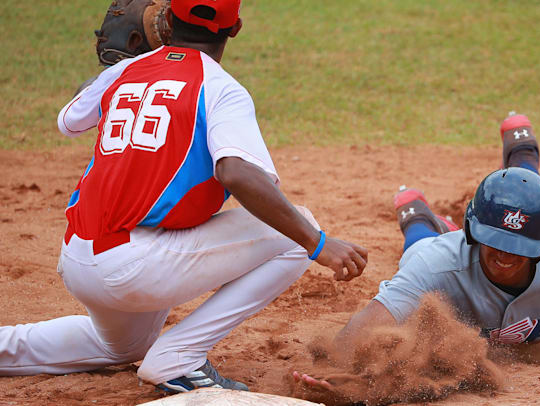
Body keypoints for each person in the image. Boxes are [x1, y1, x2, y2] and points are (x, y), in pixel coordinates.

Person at [0, 0, 367, 395]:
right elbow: (238, 173)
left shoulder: (124, 71)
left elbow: (69, 120)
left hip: (78, 257)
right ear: (236, 28)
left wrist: (125, 66)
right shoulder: (223, 90)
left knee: (122, 345)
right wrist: (318, 244)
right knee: (300, 230)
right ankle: (179, 359)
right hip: (132, 268)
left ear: (168, 19)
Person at [293, 112, 540, 390]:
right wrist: (332, 371)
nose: (505, 254)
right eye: (495, 241)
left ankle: (524, 151)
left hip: (518, 227)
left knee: (524, 198)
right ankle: (416, 215)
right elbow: (366, 326)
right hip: (440, 252)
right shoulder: (437, 264)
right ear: (471, 231)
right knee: (419, 245)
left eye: (519, 247)